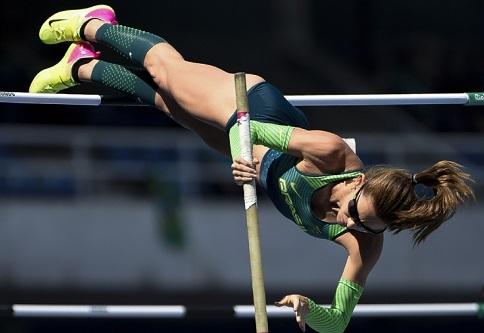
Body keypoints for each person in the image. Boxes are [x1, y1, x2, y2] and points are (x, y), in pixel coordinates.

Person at [29, 5, 474, 333]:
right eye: (352, 210)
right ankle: (94, 23)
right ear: (357, 180)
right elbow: (252, 127)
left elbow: (337, 322)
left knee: (171, 106)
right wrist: (250, 160)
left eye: (363, 225)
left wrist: (309, 309)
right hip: (257, 112)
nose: (346, 221)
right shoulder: (330, 152)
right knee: (169, 74)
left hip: (254, 159)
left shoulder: (364, 247)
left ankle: (81, 66)